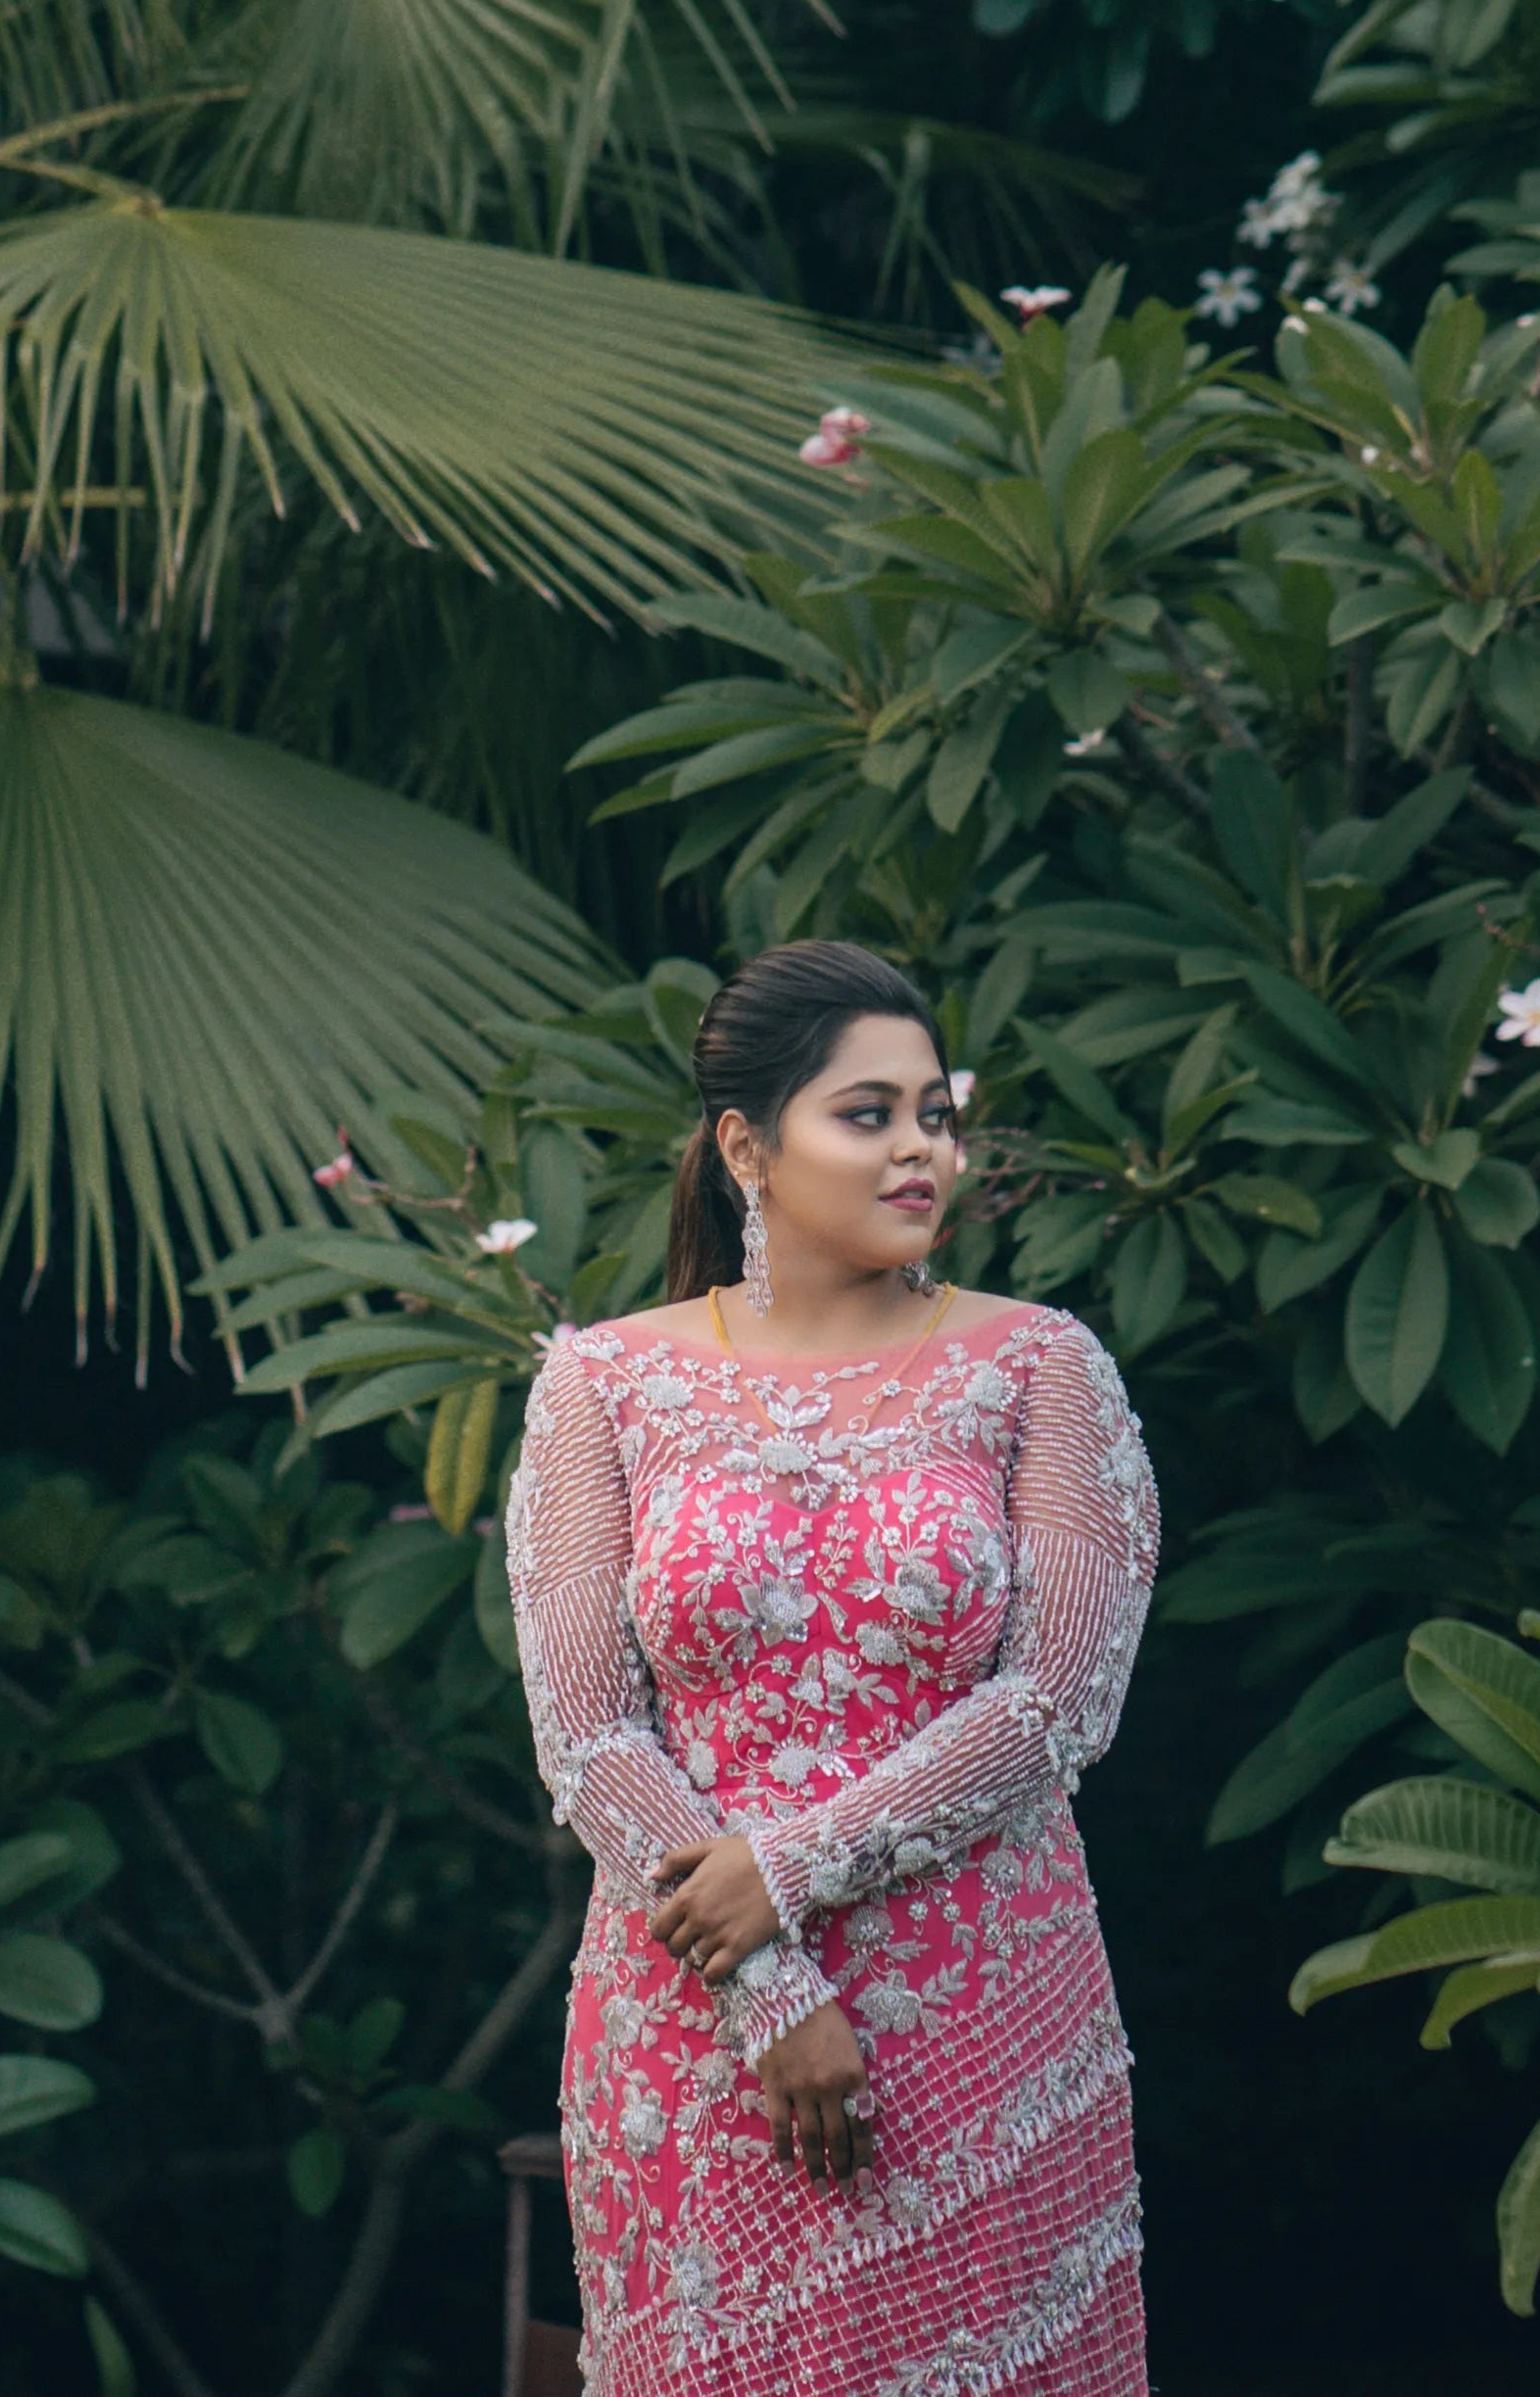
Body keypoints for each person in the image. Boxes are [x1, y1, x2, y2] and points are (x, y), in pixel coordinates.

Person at [506, 940, 1159, 2396]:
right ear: (748, 1142)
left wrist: (785, 1874)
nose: (921, 1146)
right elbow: (587, 1732)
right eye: (868, 1113)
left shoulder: (1039, 1365)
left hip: (982, 2005)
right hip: (696, 2017)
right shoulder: (604, 1383)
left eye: (934, 1110)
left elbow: (1059, 1699)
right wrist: (767, 1983)